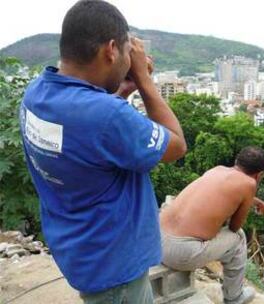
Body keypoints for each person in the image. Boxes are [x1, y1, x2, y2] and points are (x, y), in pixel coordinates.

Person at [19, 0, 186, 303]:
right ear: (111, 50)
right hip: (115, 266)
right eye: (127, 52)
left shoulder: (37, 93)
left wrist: (122, 92)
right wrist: (146, 81)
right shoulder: (104, 116)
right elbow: (176, 144)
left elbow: (89, 137)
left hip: (81, 248)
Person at [160, 146, 264, 304]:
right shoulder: (249, 184)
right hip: (180, 253)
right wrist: (248, 199)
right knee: (238, 237)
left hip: (156, 241)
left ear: (237, 161)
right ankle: (234, 297)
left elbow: (218, 193)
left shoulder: (217, 170)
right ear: (259, 174)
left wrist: (254, 200)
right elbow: (234, 227)